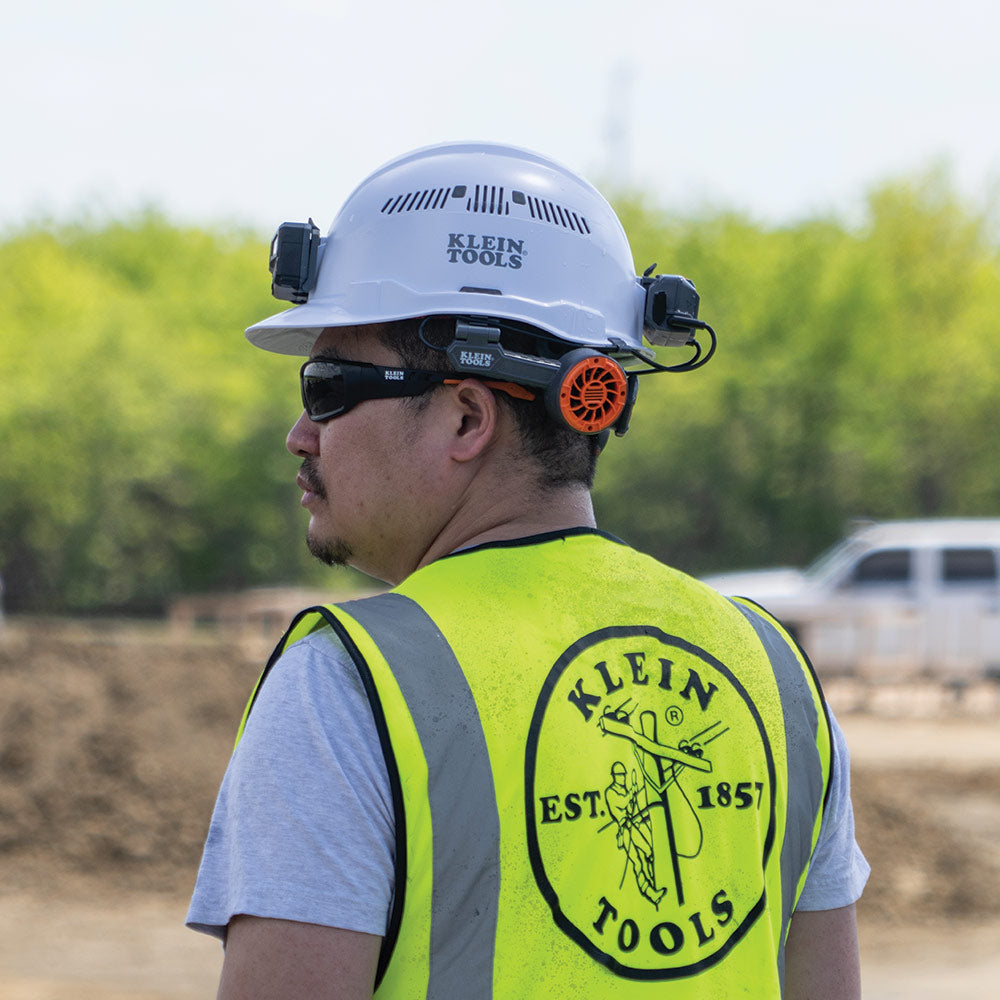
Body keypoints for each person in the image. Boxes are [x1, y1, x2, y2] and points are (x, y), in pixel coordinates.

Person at [187, 141, 869, 999]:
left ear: (467, 418)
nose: (301, 434)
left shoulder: (347, 683)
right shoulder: (772, 673)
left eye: (326, 387)